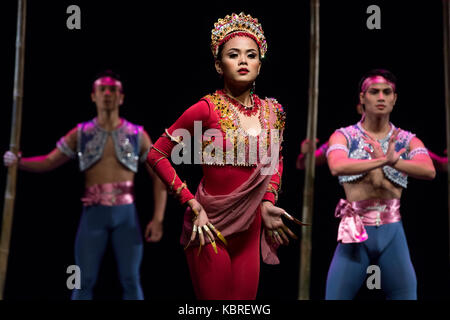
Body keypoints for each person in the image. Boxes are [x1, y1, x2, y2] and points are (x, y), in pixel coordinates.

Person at [146, 12, 302, 300]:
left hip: (251, 227)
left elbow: (274, 161)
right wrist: (189, 201)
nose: (243, 61)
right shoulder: (206, 108)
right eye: (233, 55)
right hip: (208, 225)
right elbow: (157, 154)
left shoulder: (273, 112)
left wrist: (268, 202)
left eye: (251, 55)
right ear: (219, 64)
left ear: (259, 63)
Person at [3, 70, 168, 300]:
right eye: (102, 89)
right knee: (84, 280)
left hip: (126, 215)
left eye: (113, 90)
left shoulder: (137, 135)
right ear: (93, 96)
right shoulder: (81, 133)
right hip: (93, 214)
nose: (107, 94)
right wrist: (19, 163)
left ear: (121, 97)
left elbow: (160, 177)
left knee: (131, 279)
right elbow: (49, 161)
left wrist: (158, 218)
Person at [325, 69, 435, 300]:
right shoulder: (344, 135)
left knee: (407, 295)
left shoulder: (406, 139)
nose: (381, 97)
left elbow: (429, 170)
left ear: (395, 98)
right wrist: (383, 160)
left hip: (392, 231)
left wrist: (395, 161)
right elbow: (337, 165)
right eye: (374, 92)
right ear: (362, 98)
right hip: (356, 232)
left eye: (387, 92)